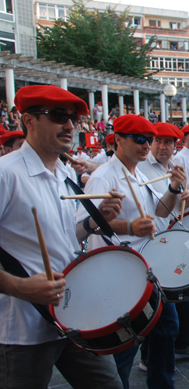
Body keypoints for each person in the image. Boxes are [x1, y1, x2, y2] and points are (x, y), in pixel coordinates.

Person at [0, 84, 125, 389]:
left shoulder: (65, 174)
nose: (70, 125)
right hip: (23, 329)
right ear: (28, 121)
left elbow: (66, 236)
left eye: (73, 118)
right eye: (58, 115)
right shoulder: (6, 174)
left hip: (73, 314)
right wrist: (19, 287)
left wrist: (96, 221)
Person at [77, 114, 189, 389]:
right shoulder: (103, 177)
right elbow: (86, 225)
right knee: (125, 344)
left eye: (148, 139)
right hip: (119, 272)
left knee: (166, 328)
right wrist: (129, 226)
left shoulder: (138, 174)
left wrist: (174, 188)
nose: (146, 145)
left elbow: (159, 212)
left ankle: (161, 383)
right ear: (118, 139)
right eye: (140, 139)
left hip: (147, 268)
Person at [136, 122, 189, 371]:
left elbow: (174, 204)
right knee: (162, 308)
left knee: (182, 299)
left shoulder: (173, 168)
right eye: (157, 141)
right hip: (151, 245)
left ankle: (181, 344)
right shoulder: (141, 167)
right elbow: (159, 208)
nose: (162, 146)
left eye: (168, 142)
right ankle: (151, 356)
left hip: (169, 239)